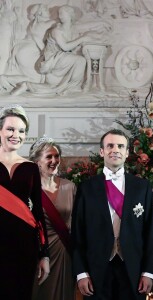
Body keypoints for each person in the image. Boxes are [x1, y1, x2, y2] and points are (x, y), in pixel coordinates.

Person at [72, 128, 153, 299]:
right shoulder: (86, 188)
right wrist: (81, 272)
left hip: (133, 268)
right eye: (110, 146)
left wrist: (148, 272)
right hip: (96, 269)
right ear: (102, 151)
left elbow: (150, 233)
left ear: (127, 153)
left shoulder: (142, 187)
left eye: (120, 146)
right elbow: (77, 233)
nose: (115, 150)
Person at [0, 104, 49, 300]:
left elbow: (38, 213)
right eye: (10, 129)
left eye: (21, 131)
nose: (16, 135)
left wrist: (44, 254)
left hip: (24, 247)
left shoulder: (30, 168)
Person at [11, 5, 103, 96]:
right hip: (53, 59)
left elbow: (83, 29)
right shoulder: (56, 30)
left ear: (70, 15)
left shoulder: (71, 29)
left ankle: (27, 85)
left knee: (53, 86)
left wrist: (100, 28)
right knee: (80, 60)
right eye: (59, 14)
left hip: (60, 58)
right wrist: (82, 39)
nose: (60, 16)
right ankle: (73, 87)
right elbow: (65, 47)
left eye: (62, 14)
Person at [29, 135, 77, 300]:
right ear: (37, 162)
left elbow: (78, 224)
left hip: (65, 254)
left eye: (57, 156)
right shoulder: (28, 189)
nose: (54, 160)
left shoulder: (69, 187)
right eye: (48, 156)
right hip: (39, 254)